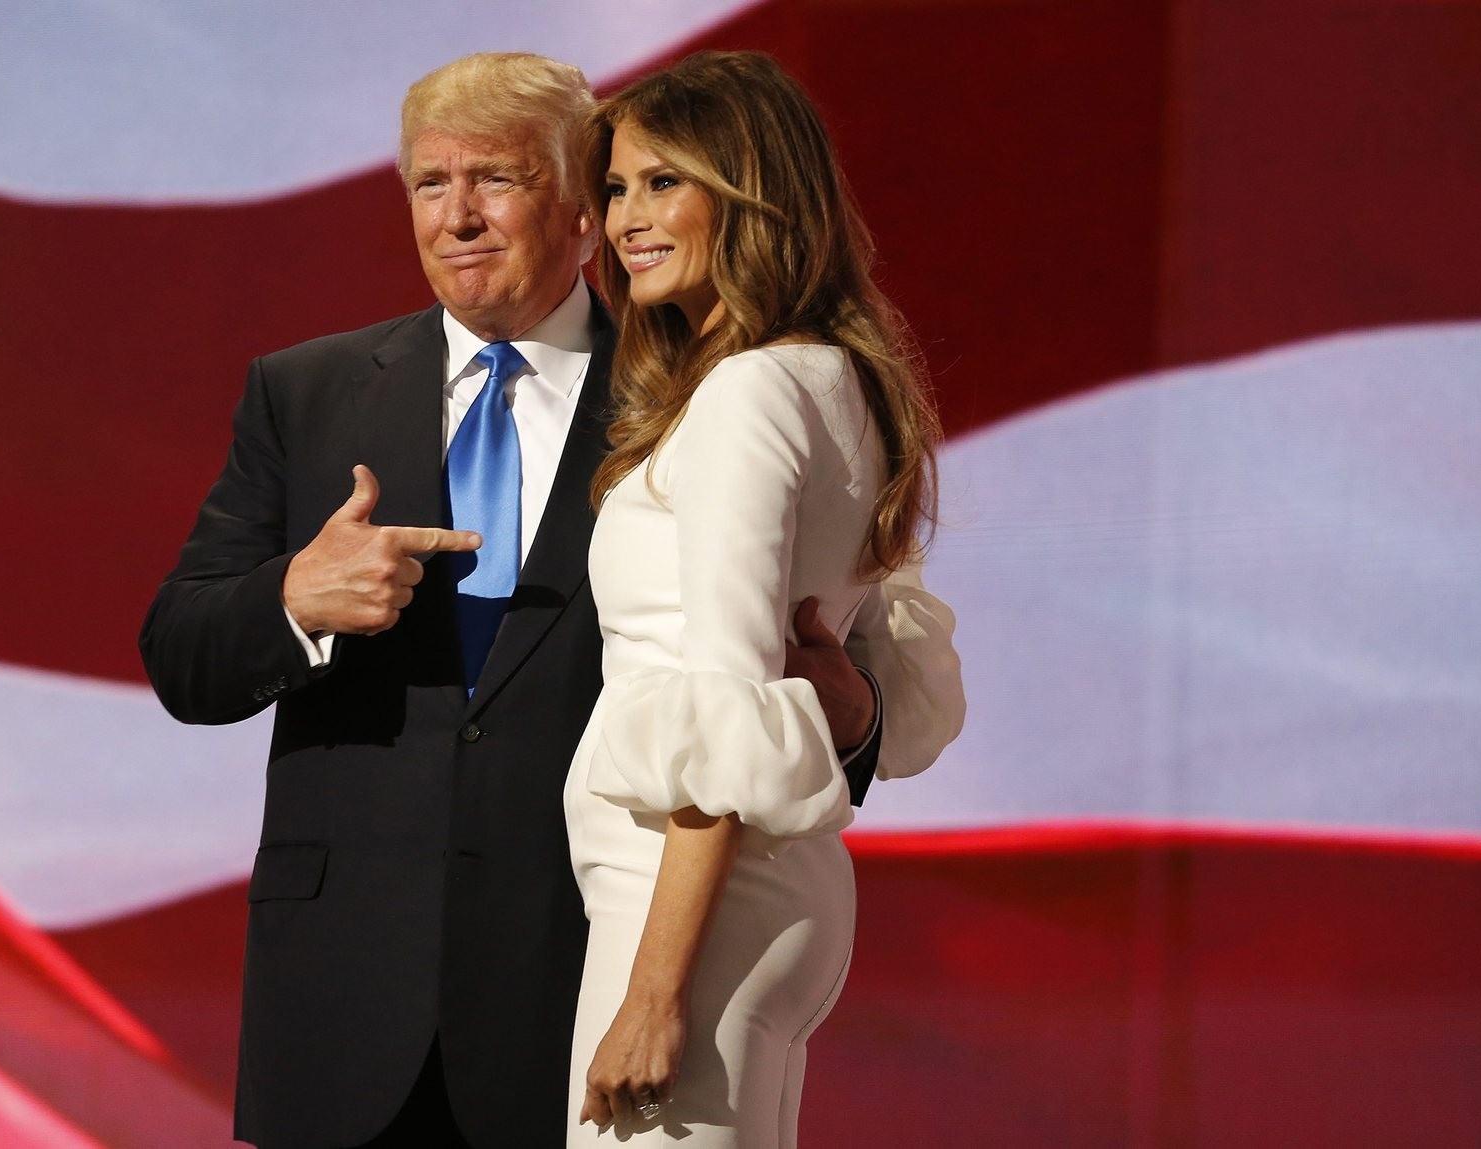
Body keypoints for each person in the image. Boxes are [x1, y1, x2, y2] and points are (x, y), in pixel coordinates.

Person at [138, 52, 963, 1149]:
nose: (459, 216)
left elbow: (852, 648)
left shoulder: (694, 379)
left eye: (497, 179)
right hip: (343, 998)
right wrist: (293, 596)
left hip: (584, 970)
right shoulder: (304, 392)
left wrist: (850, 713)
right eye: (430, 184)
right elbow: (179, 652)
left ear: (580, 209)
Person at [562, 50, 963, 1147]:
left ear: (749, 193)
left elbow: (728, 707)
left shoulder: (747, 393)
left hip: (693, 908)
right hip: (763, 899)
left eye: (663, 182)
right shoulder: (833, 377)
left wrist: (651, 998)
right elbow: (875, 693)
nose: (625, 218)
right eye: (615, 187)